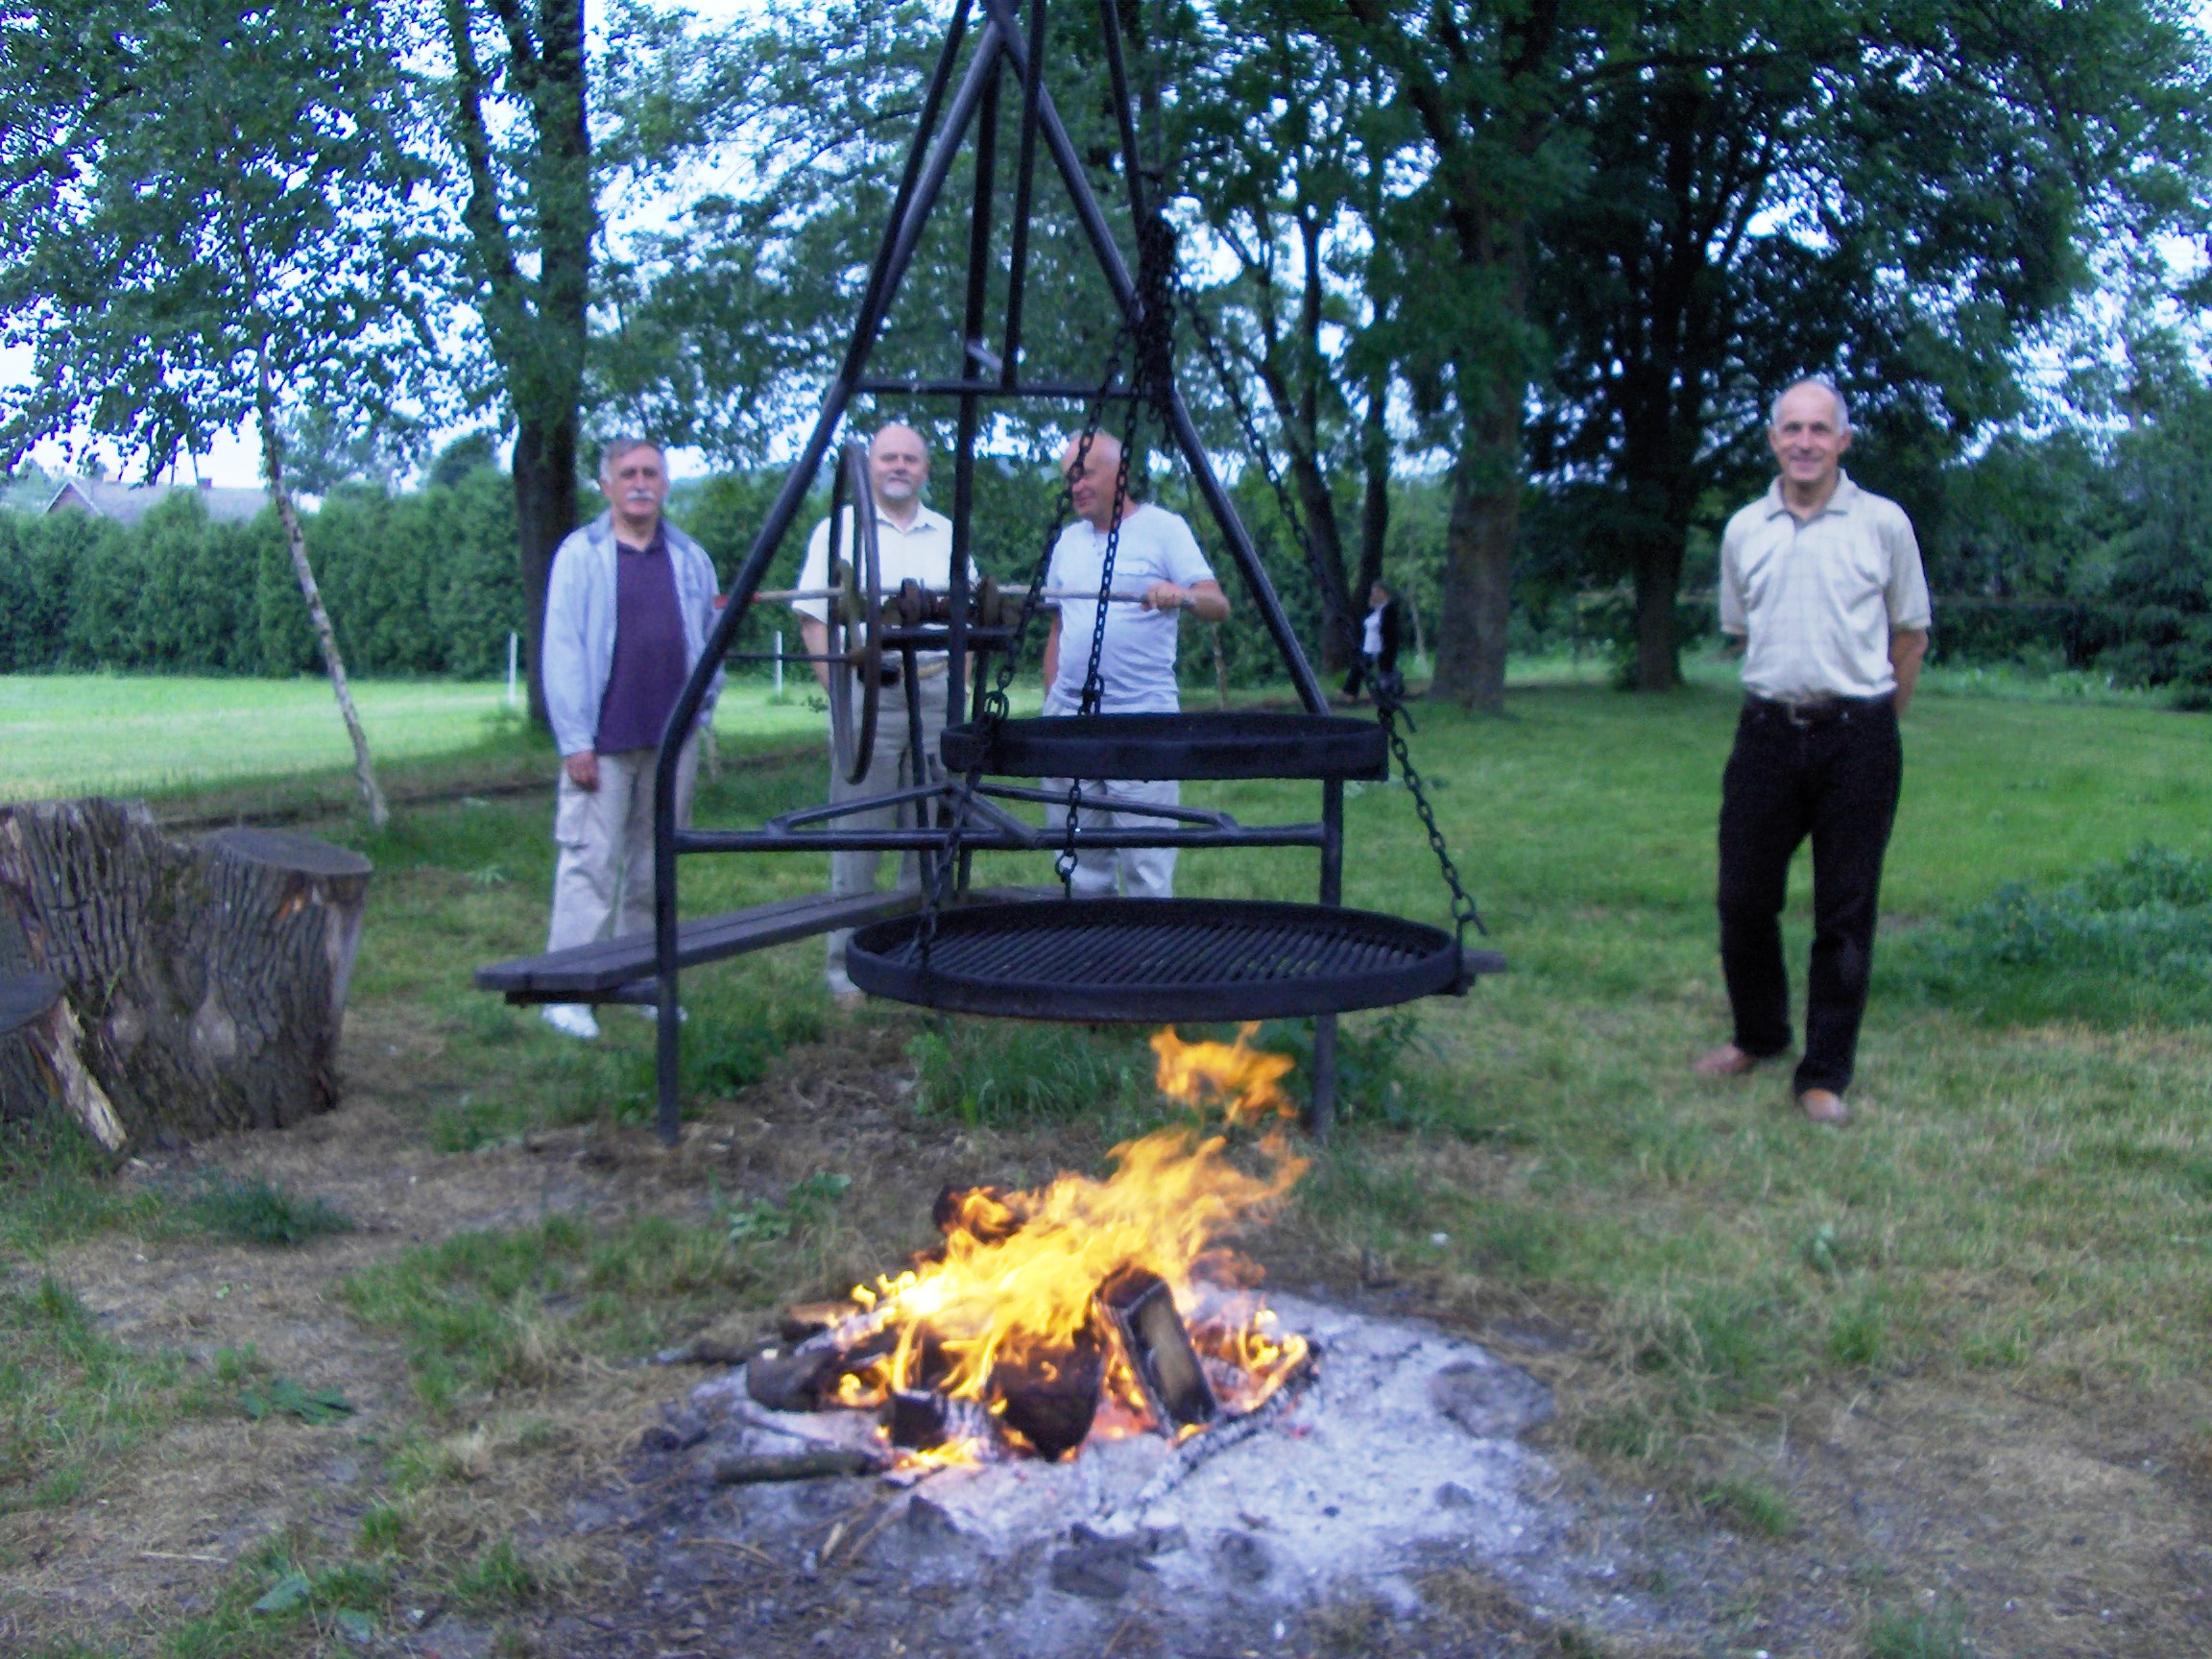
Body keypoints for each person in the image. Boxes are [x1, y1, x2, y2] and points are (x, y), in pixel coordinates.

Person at [1695, 378, 1931, 1124]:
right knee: (1742, 899)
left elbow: (1910, 635)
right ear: (1773, 439)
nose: (1805, 442)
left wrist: (1874, 723)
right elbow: (1744, 627)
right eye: (1791, 428)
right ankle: (1758, 1035)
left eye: (1819, 429)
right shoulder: (1744, 530)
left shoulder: (1883, 524)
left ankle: (1824, 1074)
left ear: (1843, 441)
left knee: (1845, 912)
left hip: (1858, 740)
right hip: (1766, 735)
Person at [538, 438, 724, 1040]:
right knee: (590, 866)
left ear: (665, 484)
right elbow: (562, 651)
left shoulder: (690, 558)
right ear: (607, 486)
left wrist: (703, 711)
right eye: (628, 474)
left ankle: (643, 983)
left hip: (672, 742)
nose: (640, 483)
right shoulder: (581, 555)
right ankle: (567, 992)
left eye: (651, 473)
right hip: (603, 742)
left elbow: (711, 638)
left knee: (654, 870)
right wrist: (575, 741)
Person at [790, 423, 978, 1006]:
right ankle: (845, 972)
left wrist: (958, 683)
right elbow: (815, 617)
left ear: (925, 469)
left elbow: (971, 616)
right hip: (869, 694)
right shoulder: (840, 531)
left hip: (935, 691)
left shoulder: (947, 535)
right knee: (858, 832)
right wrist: (845, 695)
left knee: (931, 832)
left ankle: (916, 959)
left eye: (910, 459)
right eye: (888, 457)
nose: (899, 466)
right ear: (870, 466)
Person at [1040, 430, 1230, 898]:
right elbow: (1058, 629)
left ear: (1119, 472)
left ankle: (1150, 942)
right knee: (1078, 859)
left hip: (1142, 716)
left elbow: (1216, 604)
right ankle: (1088, 940)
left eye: (1085, 474)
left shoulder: (1164, 529)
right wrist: (1051, 708)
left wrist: (1180, 594)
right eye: (1069, 478)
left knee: (1147, 857)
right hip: (1071, 715)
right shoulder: (1067, 542)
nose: (1076, 486)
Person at [1343, 580, 1402, 700]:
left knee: (1382, 671)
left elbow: (1389, 631)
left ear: (1383, 593)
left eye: (1376, 592)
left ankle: (1386, 693)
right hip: (1368, 646)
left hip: (1380, 647)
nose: (1374, 595)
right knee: (1359, 668)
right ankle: (1350, 693)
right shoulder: (1374, 610)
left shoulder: (1389, 610)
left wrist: (1388, 648)